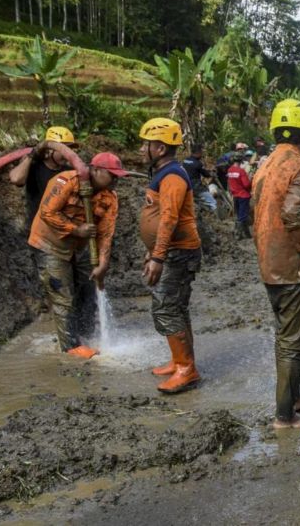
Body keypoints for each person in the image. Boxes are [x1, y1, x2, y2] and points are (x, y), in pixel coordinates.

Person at [251, 98, 300, 428]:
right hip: (291, 264)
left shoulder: (264, 165)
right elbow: (292, 212)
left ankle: (294, 397)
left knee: (289, 334)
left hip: (269, 261)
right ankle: (284, 417)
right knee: (291, 342)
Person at [28, 152, 125, 359]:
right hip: (49, 244)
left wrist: (103, 264)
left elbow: (106, 234)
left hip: (78, 248)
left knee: (88, 286)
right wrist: (76, 230)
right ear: (96, 170)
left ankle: (85, 334)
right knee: (62, 294)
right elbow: (47, 212)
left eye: (118, 176)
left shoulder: (110, 197)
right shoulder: (66, 181)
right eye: (112, 175)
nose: (116, 180)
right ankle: (70, 347)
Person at [139, 118, 203, 394]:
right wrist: (152, 251)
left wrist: (158, 257)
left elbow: (168, 219)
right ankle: (180, 361)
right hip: (171, 252)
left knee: (166, 307)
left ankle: (186, 370)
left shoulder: (173, 176)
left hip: (178, 253)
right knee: (175, 307)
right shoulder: (164, 173)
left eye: (147, 144)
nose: (142, 149)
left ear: (161, 148)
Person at [10, 126, 80, 226]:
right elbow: (16, 179)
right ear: (50, 150)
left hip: (61, 229)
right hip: (37, 230)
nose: (67, 154)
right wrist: (32, 155)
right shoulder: (34, 168)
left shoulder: (69, 172)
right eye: (64, 149)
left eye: (70, 149)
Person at [182, 144, 217, 212]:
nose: (202, 155)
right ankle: (217, 217)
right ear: (198, 153)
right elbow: (205, 174)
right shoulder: (198, 163)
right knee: (212, 201)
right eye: (201, 153)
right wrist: (211, 174)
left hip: (185, 186)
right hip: (196, 187)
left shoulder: (185, 161)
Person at [228, 152, 253, 239]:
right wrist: (251, 180)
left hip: (235, 195)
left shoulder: (230, 170)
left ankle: (247, 234)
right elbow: (246, 185)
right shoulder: (241, 171)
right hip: (243, 196)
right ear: (241, 160)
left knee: (240, 215)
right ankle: (238, 234)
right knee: (243, 216)